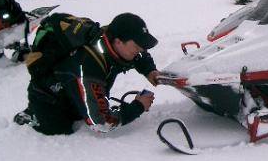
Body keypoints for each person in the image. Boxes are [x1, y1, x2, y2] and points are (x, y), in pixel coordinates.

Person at [16, 12, 161, 135]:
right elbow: (101, 123)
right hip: (49, 99)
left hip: (75, 92)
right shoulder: (89, 64)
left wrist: (150, 71)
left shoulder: (109, 38)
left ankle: (81, 105)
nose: (140, 51)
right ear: (118, 42)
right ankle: (31, 116)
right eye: (136, 46)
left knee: (82, 108)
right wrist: (138, 106)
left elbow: (140, 55)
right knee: (59, 130)